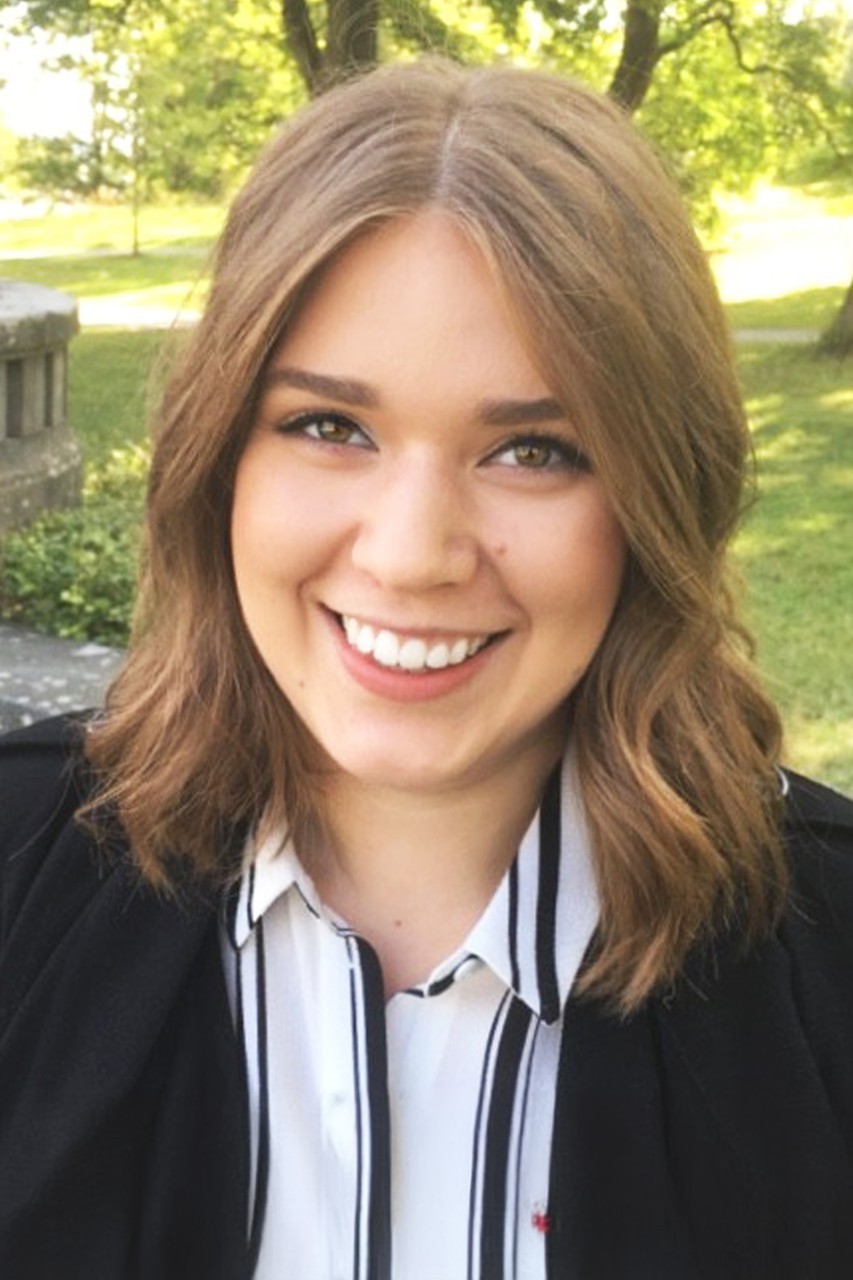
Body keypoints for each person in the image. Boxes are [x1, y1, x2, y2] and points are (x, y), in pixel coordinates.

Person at [1, 58, 852, 1280]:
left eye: (532, 449)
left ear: (658, 497)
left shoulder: (826, 959)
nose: (409, 556)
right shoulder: (19, 866)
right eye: (328, 426)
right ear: (218, 457)